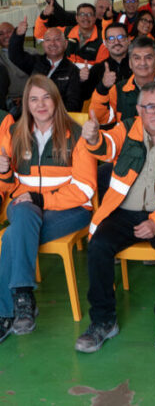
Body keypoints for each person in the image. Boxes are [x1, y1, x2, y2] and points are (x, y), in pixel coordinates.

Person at [76, 82, 155, 353]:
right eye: (150, 107)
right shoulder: (127, 129)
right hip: (124, 214)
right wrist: (92, 138)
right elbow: (106, 146)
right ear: (138, 109)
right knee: (98, 245)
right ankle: (103, 320)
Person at [0, 76, 94, 343]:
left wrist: (41, 199)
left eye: (46, 97)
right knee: (23, 217)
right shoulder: (15, 134)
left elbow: (85, 190)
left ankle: (8, 311)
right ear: (26, 104)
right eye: (33, 99)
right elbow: (7, 187)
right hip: (23, 208)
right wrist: (5, 173)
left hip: (70, 211)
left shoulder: (77, 134)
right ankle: (22, 298)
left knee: (11, 237)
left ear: (56, 100)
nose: (40, 104)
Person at [89, 36, 155, 127]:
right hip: (125, 140)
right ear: (130, 63)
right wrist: (103, 88)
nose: (142, 63)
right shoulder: (118, 89)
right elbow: (99, 119)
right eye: (137, 58)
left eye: (148, 58)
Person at [9, 17, 82, 112]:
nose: (52, 43)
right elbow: (15, 56)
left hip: (56, 119)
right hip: (30, 114)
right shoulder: (35, 61)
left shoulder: (72, 71)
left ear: (66, 44)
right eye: (47, 40)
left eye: (57, 39)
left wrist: (48, 112)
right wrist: (18, 35)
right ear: (43, 45)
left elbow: (73, 104)